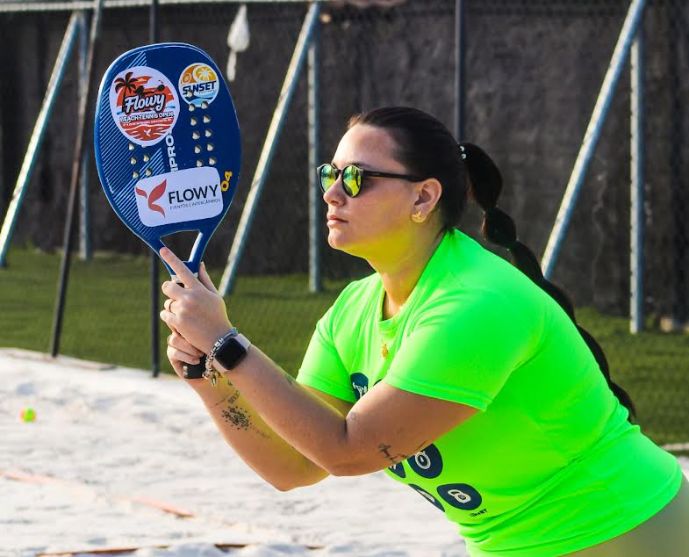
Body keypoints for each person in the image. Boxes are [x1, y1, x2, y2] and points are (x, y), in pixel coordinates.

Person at [159, 106, 689, 556]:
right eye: (330, 174)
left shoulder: (475, 303)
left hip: (626, 530)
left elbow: (349, 449)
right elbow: (295, 463)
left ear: (423, 198)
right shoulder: (354, 310)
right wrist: (207, 375)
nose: (333, 193)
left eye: (357, 178)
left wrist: (228, 344)